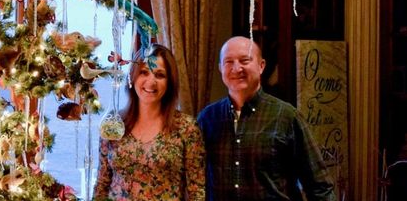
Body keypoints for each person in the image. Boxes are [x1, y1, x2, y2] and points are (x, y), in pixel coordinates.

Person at [197, 36, 336, 200]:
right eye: (228, 62)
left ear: (261, 66)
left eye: (244, 60)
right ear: (220, 68)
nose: (236, 68)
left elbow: (319, 186)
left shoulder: (286, 116)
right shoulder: (207, 119)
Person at [94, 44, 205, 201]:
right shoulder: (114, 124)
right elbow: (102, 184)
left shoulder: (186, 128)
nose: (150, 82)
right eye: (144, 72)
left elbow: (197, 191)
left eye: (159, 75)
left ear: (169, 83)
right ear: (133, 76)